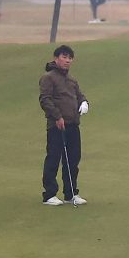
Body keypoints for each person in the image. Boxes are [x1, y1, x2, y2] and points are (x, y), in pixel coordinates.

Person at [39, 45, 91, 206]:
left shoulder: (71, 80)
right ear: (56, 58)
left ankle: (71, 193)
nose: (67, 60)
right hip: (57, 125)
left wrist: (84, 103)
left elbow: (80, 96)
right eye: (64, 57)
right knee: (54, 158)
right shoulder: (48, 78)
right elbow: (45, 100)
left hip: (73, 124)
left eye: (70, 58)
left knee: (73, 160)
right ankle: (49, 194)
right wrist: (57, 116)